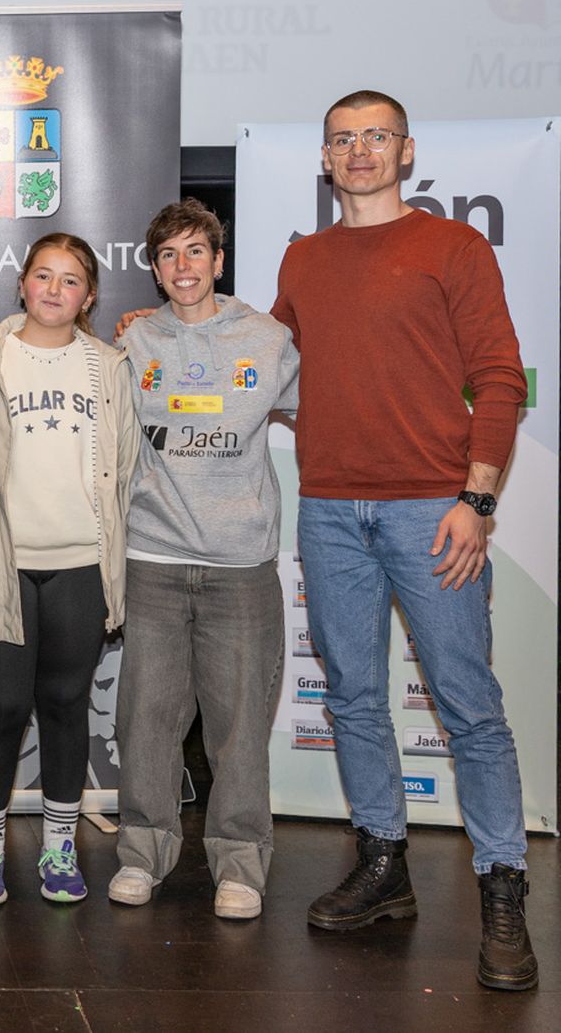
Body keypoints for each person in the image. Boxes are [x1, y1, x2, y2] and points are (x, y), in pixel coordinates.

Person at [272, 90, 534, 991]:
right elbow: (266, 367)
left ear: (406, 149)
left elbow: (500, 377)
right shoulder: (302, 259)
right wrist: (156, 341)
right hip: (330, 509)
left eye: (375, 136)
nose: (359, 151)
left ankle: (503, 886)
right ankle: (384, 864)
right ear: (325, 158)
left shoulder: (453, 247)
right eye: (342, 139)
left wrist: (477, 498)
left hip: (435, 510)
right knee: (352, 696)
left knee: (469, 703)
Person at [107, 200, 298, 920]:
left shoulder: (269, 338)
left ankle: (241, 865)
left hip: (239, 565)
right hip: (152, 557)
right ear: (153, 269)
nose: (183, 267)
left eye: (196, 252)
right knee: (147, 720)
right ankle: (141, 852)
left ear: (219, 261)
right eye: (168, 255)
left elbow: (327, 409)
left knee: (239, 723)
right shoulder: (134, 342)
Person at [0, 233, 137, 908]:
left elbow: (126, 473)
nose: (54, 289)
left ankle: (60, 845)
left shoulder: (109, 366)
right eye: (43, 275)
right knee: (2, 708)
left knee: (65, 705)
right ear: (22, 284)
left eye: (70, 280)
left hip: (81, 565)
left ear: (88, 295)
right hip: (3, 567)